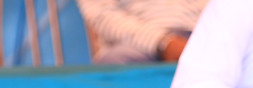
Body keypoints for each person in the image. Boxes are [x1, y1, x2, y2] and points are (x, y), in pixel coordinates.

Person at [77, 0, 210, 64]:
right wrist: (161, 43)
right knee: (113, 65)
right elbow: (103, 16)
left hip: (203, 35)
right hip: (139, 43)